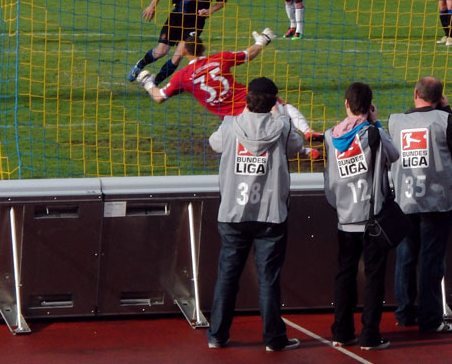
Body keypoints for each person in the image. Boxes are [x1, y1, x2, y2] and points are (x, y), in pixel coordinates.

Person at [205, 76, 304, 352]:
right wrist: (279, 114)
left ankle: (217, 335)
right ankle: (273, 338)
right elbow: (296, 146)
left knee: (227, 276)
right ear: (273, 103)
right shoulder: (282, 128)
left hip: (233, 214)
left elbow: (215, 144)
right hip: (270, 215)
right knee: (268, 279)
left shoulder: (230, 125)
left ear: (247, 100)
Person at [137, 31, 323, 157]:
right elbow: (248, 54)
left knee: (225, 145)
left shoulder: (182, 77)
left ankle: (304, 149)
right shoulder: (220, 58)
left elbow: (159, 96)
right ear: (203, 49)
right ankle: (306, 134)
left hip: (233, 122)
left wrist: (147, 82)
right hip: (257, 104)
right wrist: (262, 40)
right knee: (282, 108)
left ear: (184, 51)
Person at [389, 76, 452, 333]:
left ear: (415, 93)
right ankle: (430, 319)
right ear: (440, 98)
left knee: (405, 257)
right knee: (431, 260)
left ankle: (404, 313)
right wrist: (446, 109)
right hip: (437, 201)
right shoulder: (444, 120)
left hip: (405, 199)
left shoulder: (395, 121)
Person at [324, 82, 399, 351]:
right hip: (371, 218)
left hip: (345, 216)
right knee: (374, 278)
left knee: (344, 275)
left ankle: (342, 331)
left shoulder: (329, 135)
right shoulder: (372, 134)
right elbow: (395, 155)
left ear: (346, 103)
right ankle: (370, 334)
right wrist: (377, 124)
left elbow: (330, 175)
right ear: (370, 107)